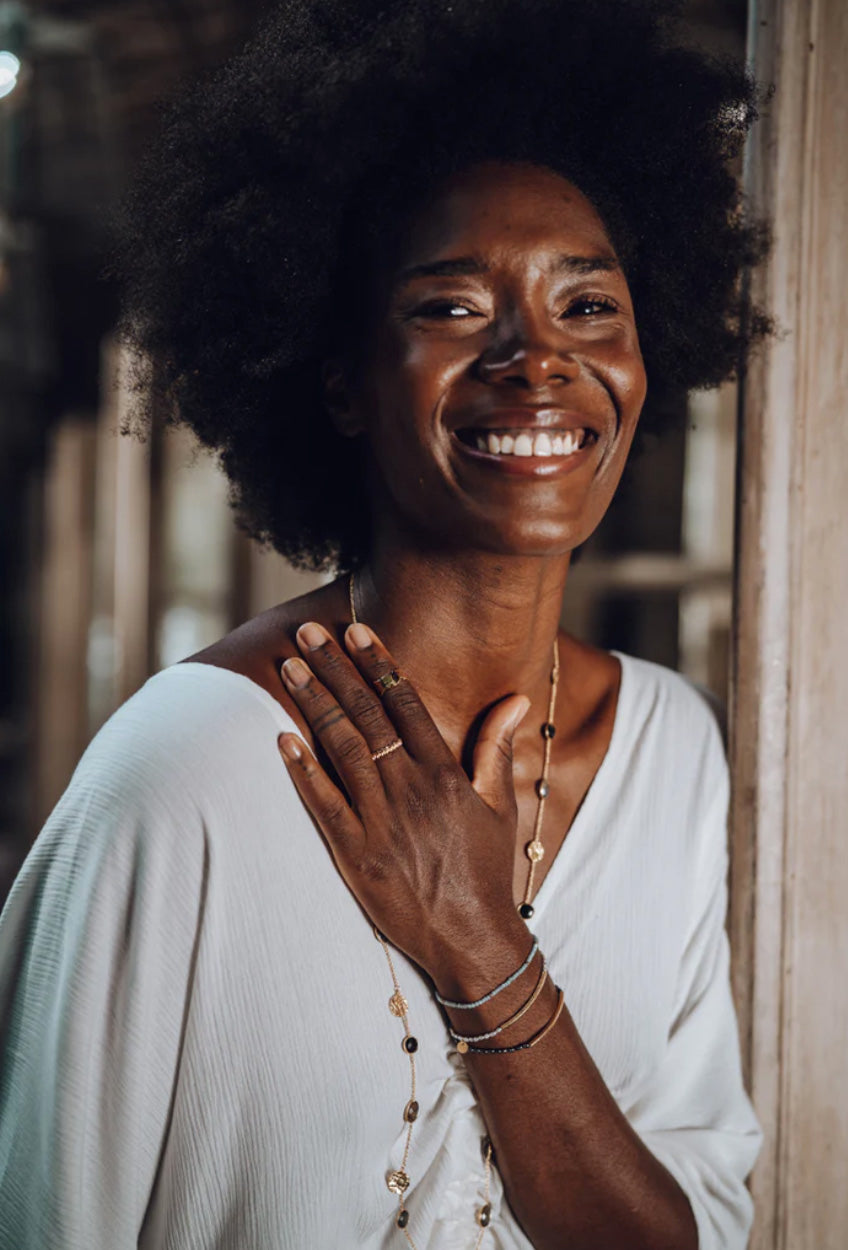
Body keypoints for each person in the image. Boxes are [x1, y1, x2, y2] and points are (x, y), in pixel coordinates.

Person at [0, 1, 772, 1247]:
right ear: (344, 382)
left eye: (587, 308)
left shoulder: (671, 753)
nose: (537, 361)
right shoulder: (187, 773)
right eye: (454, 307)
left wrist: (474, 934)